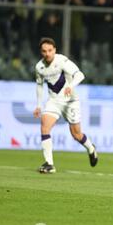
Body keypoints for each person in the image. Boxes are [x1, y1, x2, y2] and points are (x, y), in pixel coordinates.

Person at [33, 37, 98, 173]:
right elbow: (39, 86)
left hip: (70, 101)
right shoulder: (39, 67)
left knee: (76, 134)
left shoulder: (62, 60)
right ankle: (49, 164)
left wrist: (71, 85)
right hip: (54, 101)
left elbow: (80, 75)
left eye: (50, 50)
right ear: (41, 52)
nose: (47, 53)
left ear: (54, 50)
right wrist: (39, 105)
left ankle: (91, 148)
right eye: (44, 51)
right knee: (45, 127)